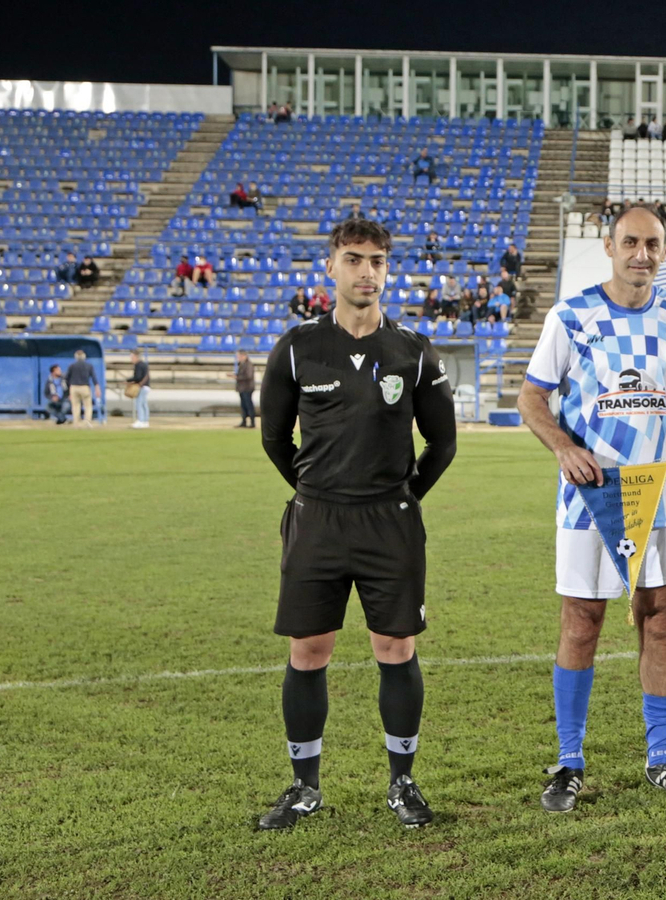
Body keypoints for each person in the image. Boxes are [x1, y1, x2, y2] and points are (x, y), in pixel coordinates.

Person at [255, 217, 458, 831]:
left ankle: (402, 784)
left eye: (376, 260)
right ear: (331, 267)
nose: (365, 271)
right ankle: (303, 787)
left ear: (387, 269)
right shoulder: (297, 346)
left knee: (395, 648)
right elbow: (272, 438)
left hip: (389, 524)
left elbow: (442, 444)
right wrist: (318, 493)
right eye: (353, 259)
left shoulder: (413, 351)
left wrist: (399, 498)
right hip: (316, 520)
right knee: (308, 650)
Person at [518, 205, 666, 813]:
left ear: (664, 251)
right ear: (609, 246)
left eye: (652, 244)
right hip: (589, 500)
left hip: (660, 501)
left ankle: (661, 757)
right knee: (582, 621)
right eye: (630, 241)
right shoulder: (571, 315)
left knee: (659, 621)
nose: (641, 253)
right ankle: (568, 761)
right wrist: (562, 446)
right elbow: (532, 398)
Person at [67, 349, 96, 427]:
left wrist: (68, 390)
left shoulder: (72, 366)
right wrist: (97, 386)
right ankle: (87, 422)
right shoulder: (89, 366)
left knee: (75, 406)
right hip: (85, 387)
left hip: (74, 387)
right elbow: (93, 377)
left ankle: (76, 422)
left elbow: (67, 378)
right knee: (88, 405)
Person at [125, 350, 150, 429]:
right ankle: (145, 421)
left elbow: (138, 377)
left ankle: (140, 420)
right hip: (147, 386)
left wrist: (128, 380)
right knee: (144, 404)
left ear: (136, 357)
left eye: (132, 357)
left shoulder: (138, 365)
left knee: (139, 403)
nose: (131, 359)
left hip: (141, 386)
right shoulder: (144, 365)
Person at [234, 349, 257, 428]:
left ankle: (252, 422)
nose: (238, 358)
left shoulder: (248, 365)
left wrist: (237, 377)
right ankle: (244, 421)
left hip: (247, 388)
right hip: (243, 388)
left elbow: (248, 376)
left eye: (239, 356)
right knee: (244, 405)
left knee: (248, 405)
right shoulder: (242, 364)